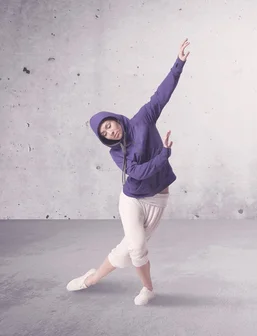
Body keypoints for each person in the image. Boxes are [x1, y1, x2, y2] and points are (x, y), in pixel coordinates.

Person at [66, 39, 191, 306]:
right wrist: (164, 155)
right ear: (105, 139)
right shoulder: (115, 153)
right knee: (137, 248)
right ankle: (148, 289)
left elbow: (162, 94)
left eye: (109, 125)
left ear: (115, 119)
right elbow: (139, 173)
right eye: (105, 133)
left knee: (125, 252)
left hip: (157, 199)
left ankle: (91, 278)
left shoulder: (143, 119)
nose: (110, 131)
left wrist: (178, 63)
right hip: (131, 199)